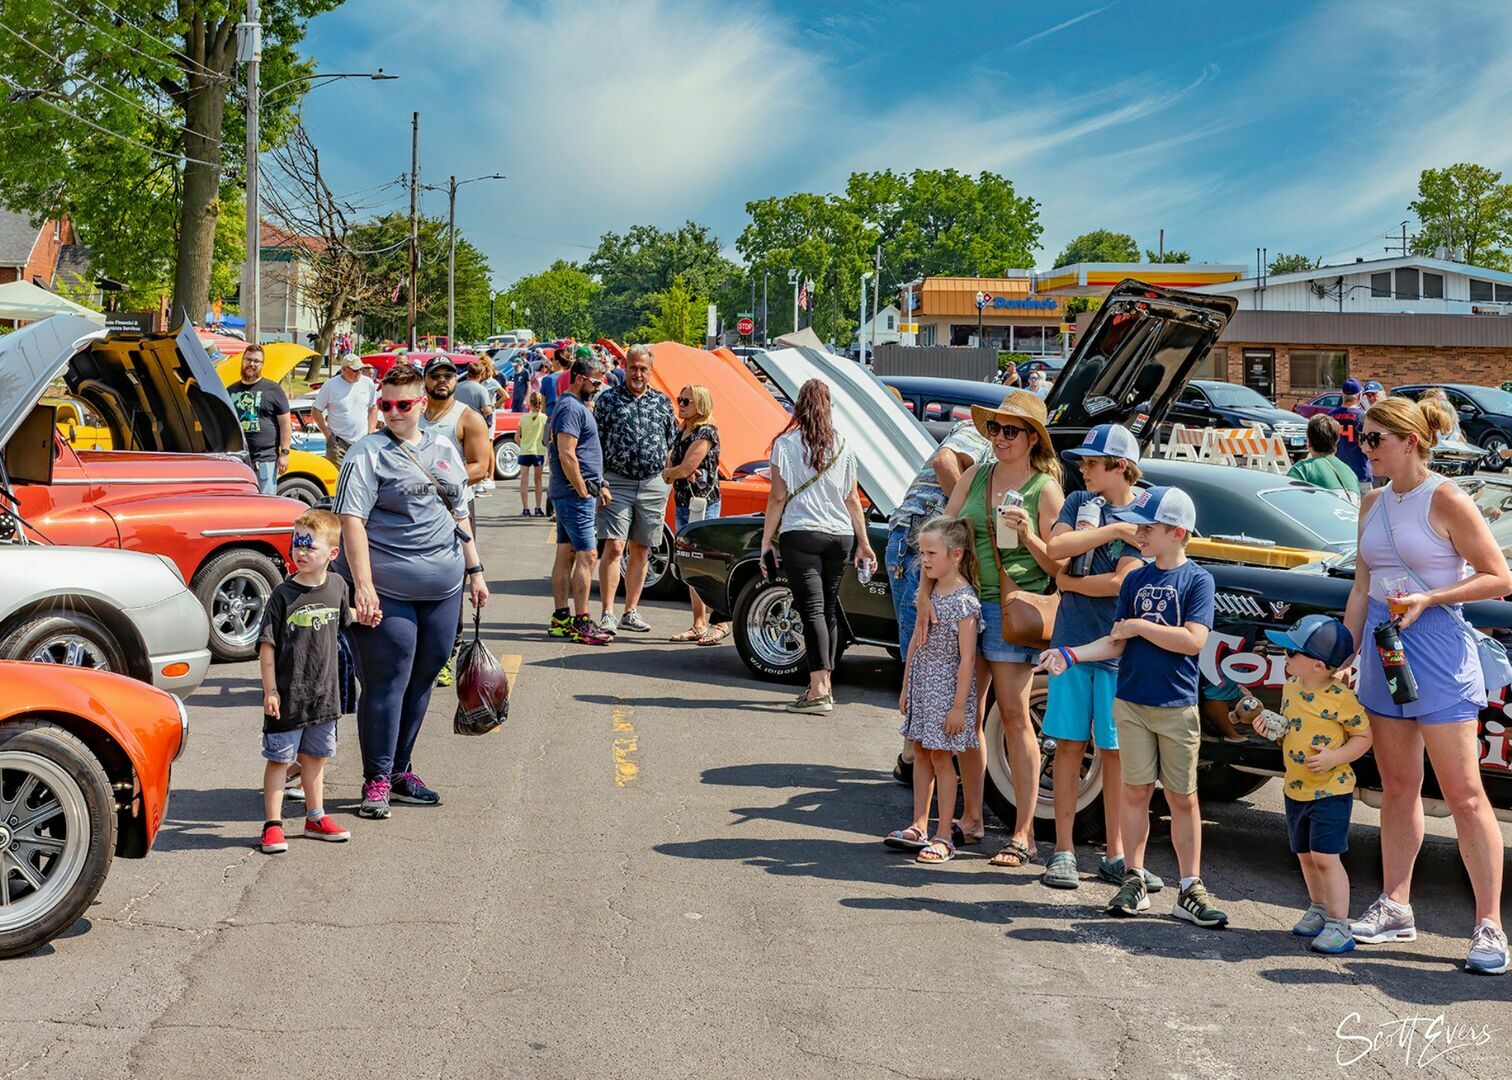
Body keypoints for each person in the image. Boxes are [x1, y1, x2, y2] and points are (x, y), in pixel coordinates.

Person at [1345, 394, 1512, 975]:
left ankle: (1488, 924)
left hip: (1437, 646)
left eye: (1372, 439)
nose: (1362, 448)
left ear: (1409, 441)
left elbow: (1499, 578)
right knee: (1396, 787)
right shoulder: (1371, 502)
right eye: (1360, 438)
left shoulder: (1445, 497)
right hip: (1384, 651)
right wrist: (1346, 649)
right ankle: (1395, 904)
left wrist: (1430, 597)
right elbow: (1361, 588)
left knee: (1464, 794)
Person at [1038, 486, 1229, 929]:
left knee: (1183, 797)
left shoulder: (1198, 579)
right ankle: (1134, 876)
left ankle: (1190, 887)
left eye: (1149, 527)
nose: (1139, 533)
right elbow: (1115, 641)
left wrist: (1142, 626)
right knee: (1135, 792)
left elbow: (1194, 641)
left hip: (1176, 705)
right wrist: (1071, 654)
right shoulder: (1136, 580)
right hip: (1131, 702)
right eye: (1140, 525)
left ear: (1177, 533)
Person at [333, 364, 489, 820]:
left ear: (422, 404)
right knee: (388, 680)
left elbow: (458, 512)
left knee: (423, 678)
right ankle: (376, 778)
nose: (394, 413)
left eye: (403, 404)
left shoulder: (443, 446)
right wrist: (363, 586)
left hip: (443, 587)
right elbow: (352, 523)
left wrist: (475, 571)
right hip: (387, 589)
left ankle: (401, 771)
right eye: (385, 405)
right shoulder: (366, 452)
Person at [931, 389, 1064, 866]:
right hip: (965, 606)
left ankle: (1023, 833)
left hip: (1011, 609)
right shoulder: (975, 474)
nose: (1000, 437)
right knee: (965, 712)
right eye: (995, 429)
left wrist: (1027, 532)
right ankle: (971, 819)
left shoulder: (1044, 489)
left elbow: (1059, 563)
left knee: (1012, 715)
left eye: (1011, 430)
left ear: (1032, 439)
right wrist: (930, 592)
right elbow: (942, 533)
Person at [1039, 425, 1151, 891]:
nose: (1081, 468)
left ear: (1120, 466)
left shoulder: (1146, 507)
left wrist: (1070, 584)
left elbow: (1123, 582)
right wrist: (1114, 531)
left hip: (1117, 649)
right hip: (1069, 644)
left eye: (1091, 462)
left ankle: (1117, 854)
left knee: (1114, 752)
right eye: (1081, 461)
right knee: (1067, 746)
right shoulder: (1077, 502)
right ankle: (1063, 850)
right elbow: (1056, 547)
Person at [883, 415, 993, 786]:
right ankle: (913, 754)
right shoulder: (976, 434)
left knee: (928, 643)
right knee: (922, 639)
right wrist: (961, 522)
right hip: (921, 537)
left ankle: (915, 753)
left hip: (923, 539)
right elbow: (943, 461)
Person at [1256, 615, 1372, 955]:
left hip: (1330, 791)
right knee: (1305, 855)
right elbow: (1292, 727)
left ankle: (1340, 924)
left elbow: (1364, 736)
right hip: (1296, 787)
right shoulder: (1292, 686)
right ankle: (1319, 907)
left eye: (1293, 654)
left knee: (1325, 856)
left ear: (1319, 665)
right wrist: (1273, 729)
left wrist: (1336, 757)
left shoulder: (1341, 699)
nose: (1285, 658)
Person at [759, 379, 874, 714]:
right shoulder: (843, 444)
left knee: (811, 610)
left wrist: (767, 540)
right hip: (840, 536)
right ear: (828, 407)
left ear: (798, 407)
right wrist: (864, 544)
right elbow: (852, 499)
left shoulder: (785, 444)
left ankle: (818, 689)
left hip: (802, 534)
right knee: (827, 609)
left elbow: (778, 497)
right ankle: (826, 686)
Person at [886, 516, 982, 865]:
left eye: (931, 553)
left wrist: (959, 707)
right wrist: (905, 685)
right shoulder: (926, 593)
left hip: (947, 690)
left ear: (956, 555)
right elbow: (915, 641)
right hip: (923, 685)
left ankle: (944, 835)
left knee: (942, 758)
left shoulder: (964, 601)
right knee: (922, 753)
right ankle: (918, 825)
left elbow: (968, 658)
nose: (924, 560)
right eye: (921, 552)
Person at [256, 508, 353, 854]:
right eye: (296, 544)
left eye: (309, 547)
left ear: (332, 554)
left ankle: (315, 817)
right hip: (288, 695)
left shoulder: (338, 586)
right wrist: (271, 691)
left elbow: (343, 622)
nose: (300, 552)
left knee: (315, 758)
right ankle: (273, 824)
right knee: (281, 760)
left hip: (325, 695)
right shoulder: (282, 595)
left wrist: (367, 615)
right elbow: (266, 647)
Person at [595, 344, 678, 636]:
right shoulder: (608, 400)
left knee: (642, 548)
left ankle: (631, 611)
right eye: (633, 367)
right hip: (616, 481)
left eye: (643, 368)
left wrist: (669, 477)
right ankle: (607, 613)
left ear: (651, 371)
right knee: (614, 545)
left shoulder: (662, 403)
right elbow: (596, 444)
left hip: (653, 483)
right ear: (625, 368)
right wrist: (600, 481)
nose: (638, 373)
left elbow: (672, 442)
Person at [548, 353, 613, 646]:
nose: (598, 386)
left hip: (574, 491)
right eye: (595, 381)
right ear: (579, 378)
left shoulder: (574, 405)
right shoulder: (571, 408)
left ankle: (561, 619)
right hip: (574, 494)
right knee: (587, 555)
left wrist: (599, 484)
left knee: (567, 554)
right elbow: (566, 452)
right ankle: (581, 621)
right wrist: (583, 489)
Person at [663, 384, 729, 645]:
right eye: (680, 399)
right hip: (683, 503)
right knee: (690, 564)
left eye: (686, 401)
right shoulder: (683, 430)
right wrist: (674, 471)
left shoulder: (706, 431)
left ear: (701, 405)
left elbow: (686, 466)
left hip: (703, 504)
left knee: (707, 565)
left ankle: (720, 622)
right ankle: (698, 623)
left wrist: (671, 473)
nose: (680, 404)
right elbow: (672, 462)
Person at [226, 344, 291, 495]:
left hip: (265, 459)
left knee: (265, 502)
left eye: (256, 361)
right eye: (248, 359)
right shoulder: (230, 391)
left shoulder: (273, 389)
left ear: (262, 365)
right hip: (237, 459)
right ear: (242, 360)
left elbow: (285, 424)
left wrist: (285, 453)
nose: (251, 364)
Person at [312, 353, 379, 468]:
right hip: (338, 443)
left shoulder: (368, 383)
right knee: (338, 479)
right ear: (343, 369)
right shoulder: (330, 385)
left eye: (361, 369)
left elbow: (373, 407)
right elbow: (316, 410)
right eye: (355, 370)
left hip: (362, 442)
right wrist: (328, 435)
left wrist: (370, 432)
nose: (359, 373)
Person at [1287, 414, 1361, 501]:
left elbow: (1288, 503)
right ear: (1337, 441)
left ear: (1308, 440)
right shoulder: (1350, 473)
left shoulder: (1302, 469)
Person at [1327, 378, 1371, 487]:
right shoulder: (1363, 417)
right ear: (1360, 396)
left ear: (1342, 395)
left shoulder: (1330, 416)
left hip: (1336, 473)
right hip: (1359, 471)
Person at [517, 390, 548, 517]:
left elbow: (516, 437)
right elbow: (546, 438)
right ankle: (538, 507)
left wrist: (523, 445)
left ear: (530, 403)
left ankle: (525, 508)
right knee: (538, 481)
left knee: (524, 481)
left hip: (525, 451)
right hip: (538, 451)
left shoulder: (523, 418)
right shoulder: (544, 418)